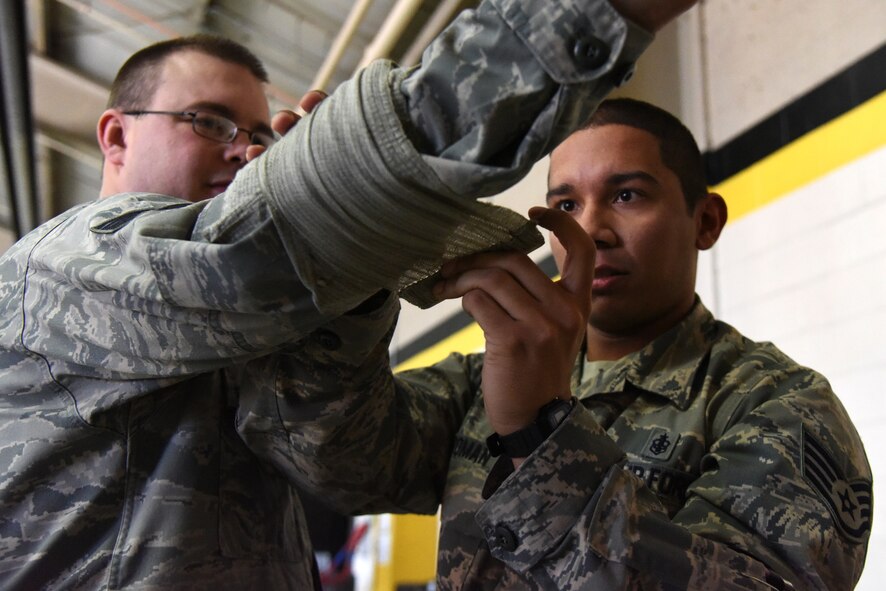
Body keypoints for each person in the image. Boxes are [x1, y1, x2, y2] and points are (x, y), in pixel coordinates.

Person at [0, 0, 697, 588]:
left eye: (254, 133)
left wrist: (530, 406)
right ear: (116, 134)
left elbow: (355, 460)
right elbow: (257, 248)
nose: (245, 152)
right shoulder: (67, 267)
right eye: (209, 122)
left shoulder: (233, 330)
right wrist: (592, 15)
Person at [294, 99, 872, 589]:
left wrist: (539, 430)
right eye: (566, 205)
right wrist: (343, 260)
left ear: (705, 221)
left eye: (627, 196)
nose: (591, 230)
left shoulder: (779, 406)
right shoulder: (479, 382)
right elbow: (334, 457)